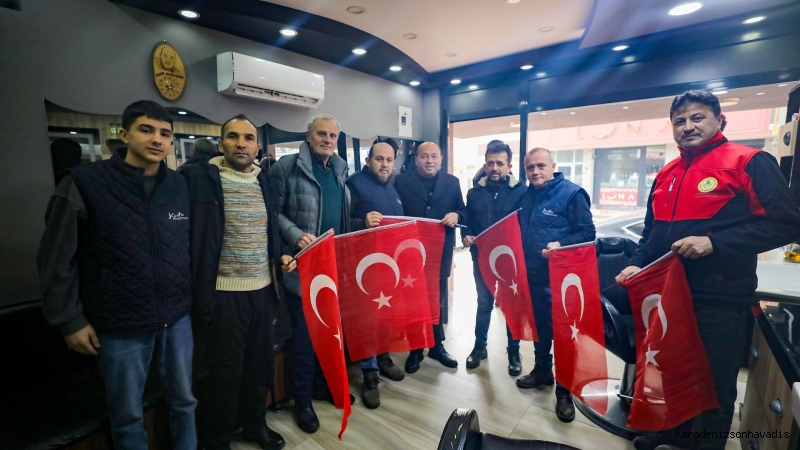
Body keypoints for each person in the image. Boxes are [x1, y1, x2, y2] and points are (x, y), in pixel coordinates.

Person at [615, 90, 800, 450]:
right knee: (672, 373)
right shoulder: (666, 173)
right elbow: (650, 232)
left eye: (697, 118)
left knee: (713, 387)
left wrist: (715, 243)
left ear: (720, 120)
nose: (687, 126)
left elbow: (786, 223)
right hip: (667, 296)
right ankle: (671, 437)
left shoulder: (749, 161)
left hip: (718, 298)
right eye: (679, 121)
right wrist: (636, 262)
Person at [37, 100, 196, 449]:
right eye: (146, 130)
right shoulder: (84, 182)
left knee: (185, 402)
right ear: (124, 135)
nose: (157, 139)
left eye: (165, 133)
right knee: (127, 416)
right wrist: (69, 319)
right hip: (120, 324)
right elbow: (55, 259)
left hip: (177, 318)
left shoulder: (178, 185)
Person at [182, 115, 285, 450]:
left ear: (257, 146)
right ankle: (217, 440)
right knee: (225, 375)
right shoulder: (199, 179)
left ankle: (255, 425)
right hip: (224, 295)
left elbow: (271, 230)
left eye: (249, 138)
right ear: (221, 143)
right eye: (233, 137)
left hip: (264, 291)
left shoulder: (264, 180)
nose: (241, 143)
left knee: (260, 368)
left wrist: (281, 256)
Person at [269, 114, 362, 433]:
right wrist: (295, 235)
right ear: (308, 137)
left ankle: (321, 386)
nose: (327, 140)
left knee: (329, 333)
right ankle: (302, 399)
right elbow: (272, 213)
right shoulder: (287, 167)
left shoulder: (339, 171)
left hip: (333, 270)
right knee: (304, 340)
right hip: (302, 270)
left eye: (333, 135)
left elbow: (343, 219)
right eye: (321, 134)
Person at [516, 147, 595, 423]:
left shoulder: (572, 194)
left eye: (540, 166)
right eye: (530, 168)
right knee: (540, 328)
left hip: (562, 280)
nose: (535, 172)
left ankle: (564, 391)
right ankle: (542, 371)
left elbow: (588, 233)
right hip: (533, 276)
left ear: (553, 166)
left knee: (564, 335)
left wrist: (561, 244)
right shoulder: (526, 196)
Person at [345, 141, 407, 409]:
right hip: (363, 269)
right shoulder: (354, 185)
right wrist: (361, 223)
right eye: (379, 159)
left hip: (389, 268)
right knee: (367, 323)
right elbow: (339, 222)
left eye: (389, 160)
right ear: (368, 160)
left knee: (384, 317)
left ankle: (383, 359)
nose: (384, 164)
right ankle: (370, 376)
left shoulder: (392, 188)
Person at [393, 142, 465, 372]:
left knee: (438, 299)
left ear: (441, 159)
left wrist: (456, 215)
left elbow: (463, 210)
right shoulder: (400, 182)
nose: (430, 160)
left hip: (440, 252)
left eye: (434, 156)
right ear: (416, 159)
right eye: (424, 156)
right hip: (411, 251)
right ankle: (416, 348)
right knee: (413, 301)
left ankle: (436, 345)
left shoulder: (452, 182)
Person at [461, 141, 527, 375]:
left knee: (512, 304)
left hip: (511, 261)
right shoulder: (474, 193)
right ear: (485, 165)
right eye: (490, 163)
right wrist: (466, 236)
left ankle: (514, 350)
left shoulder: (522, 192)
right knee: (484, 303)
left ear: (509, 166)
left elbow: (525, 225)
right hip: (482, 259)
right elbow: (469, 222)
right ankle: (480, 347)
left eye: (500, 163)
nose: (495, 168)